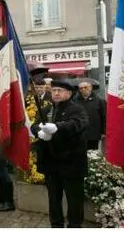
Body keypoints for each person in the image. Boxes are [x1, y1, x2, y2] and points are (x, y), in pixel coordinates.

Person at [31, 79, 89, 228]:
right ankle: (56, 225)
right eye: (54, 90)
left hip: (71, 163)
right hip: (51, 163)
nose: (56, 93)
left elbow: (78, 124)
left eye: (60, 91)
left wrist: (58, 127)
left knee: (74, 200)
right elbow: (34, 125)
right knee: (54, 200)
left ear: (69, 93)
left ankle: (74, 225)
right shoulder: (46, 110)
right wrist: (39, 132)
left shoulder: (77, 109)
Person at [75, 80, 106, 150]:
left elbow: (104, 117)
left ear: (91, 87)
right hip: (79, 133)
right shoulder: (75, 101)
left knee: (92, 153)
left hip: (93, 133)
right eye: (81, 88)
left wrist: (103, 132)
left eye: (85, 87)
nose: (83, 89)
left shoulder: (99, 100)